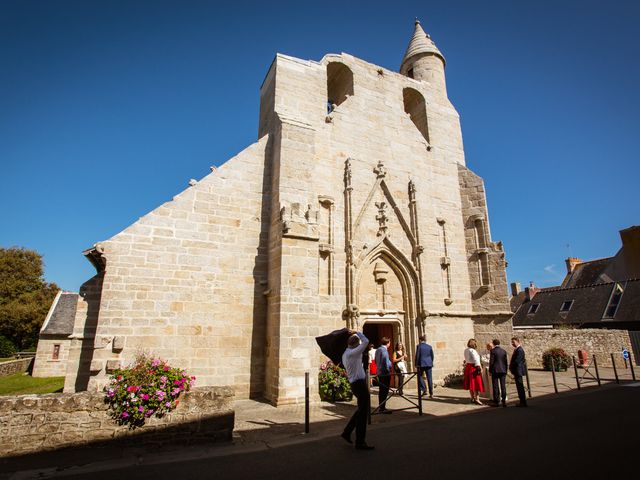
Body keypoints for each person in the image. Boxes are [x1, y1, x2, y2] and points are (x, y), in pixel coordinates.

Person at [341, 330, 374, 450]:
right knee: (363, 414)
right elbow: (366, 341)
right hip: (359, 384)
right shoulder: (353, 354)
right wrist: (358, 331)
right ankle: (360, 441)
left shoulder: (346, 353)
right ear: (356, 345)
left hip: (355, 384)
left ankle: (347, 432)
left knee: (361, 410)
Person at [463, 338, 484, 405]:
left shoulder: (466, 350)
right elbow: (476, 360)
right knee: (476, 383)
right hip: (473, 367)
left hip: (468, 367)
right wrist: (479, 368)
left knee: (470, 384)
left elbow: (466, 359)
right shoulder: (473, 351)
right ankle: (477, 399)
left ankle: (472, 397)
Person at [374, 337, 393, 414]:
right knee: (384, 391)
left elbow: (376, 361)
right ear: (388, 343)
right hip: (384, 373)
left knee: (381, 391)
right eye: (389, 342)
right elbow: (385, 361)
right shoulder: (384, 350)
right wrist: (388, 370)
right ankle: (382, 408)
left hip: (379, 372)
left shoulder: (378, 349)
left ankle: (381, 407)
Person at [509, 337, 528, 407]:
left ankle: (523, 402)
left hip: (518, 370)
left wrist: (511, 367)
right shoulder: (517, 349)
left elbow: (517, 361)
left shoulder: (519, 350)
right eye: (512, 342)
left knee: (520, 386)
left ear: (517, 341)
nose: (512, 343)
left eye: (513, 342)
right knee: (519, 386)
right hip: (516, 370)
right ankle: (522, 401)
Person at [489, 339, 508, 407]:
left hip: (495, 370)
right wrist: (506, 370)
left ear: (493, 344)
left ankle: (496, 401)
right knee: (503, 386)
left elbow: (491, 362)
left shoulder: (493, 351)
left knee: (495, 386)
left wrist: (490, 371)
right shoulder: (503, 351)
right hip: (503, 370)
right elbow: (506, 362)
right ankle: (504, 401)